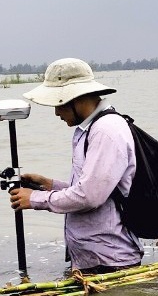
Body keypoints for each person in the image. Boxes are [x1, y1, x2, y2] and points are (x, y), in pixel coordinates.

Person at [8, 58, 143, 274]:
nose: (56, 113)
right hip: (93, 259)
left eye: (59, 105)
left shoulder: (106, 131)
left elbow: (89, 197)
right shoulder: (87, 129)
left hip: (109, 261)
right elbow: (92, 189)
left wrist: (34, 199)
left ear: (76, 99)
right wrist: (48, 184)